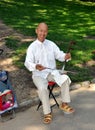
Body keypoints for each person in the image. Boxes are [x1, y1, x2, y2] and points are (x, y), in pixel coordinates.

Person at [24, 22, 75, 124]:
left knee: (65, 79)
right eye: (41, 31)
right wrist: (35, 66)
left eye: (45, 31)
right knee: (43, 88)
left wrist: (65, 56)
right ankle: (47, 113)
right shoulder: (32, 47)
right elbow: (27, 62)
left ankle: (64, 104)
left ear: (47, 32)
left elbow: (59, 55)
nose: (42, 33)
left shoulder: (51, 44)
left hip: (51, 72)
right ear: (36, 31)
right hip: (38, 74)